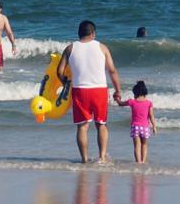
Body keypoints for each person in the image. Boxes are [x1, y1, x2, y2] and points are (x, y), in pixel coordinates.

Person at [57, 20, 123, 165]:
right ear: (93, 34)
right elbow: (112, 71)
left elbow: (59, 71)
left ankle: (84, 160)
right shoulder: (102, 47)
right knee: (101, 124)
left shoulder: (70, 48)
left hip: (80, 90)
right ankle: (102, 158)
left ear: (79, 34)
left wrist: (66, 84)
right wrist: (117, 90)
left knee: (82, 126)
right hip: (99, 90)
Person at [117, 80, 157, 164]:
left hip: (135, 127)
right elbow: (151, 116)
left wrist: (117, 99)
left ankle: (138, 162)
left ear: (135, 92)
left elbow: (120, 104)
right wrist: (154, 126)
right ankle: (143, 161)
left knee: (137, 146)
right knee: (144, 145)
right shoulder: (149, 103)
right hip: (145, 127)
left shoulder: (132, 101)